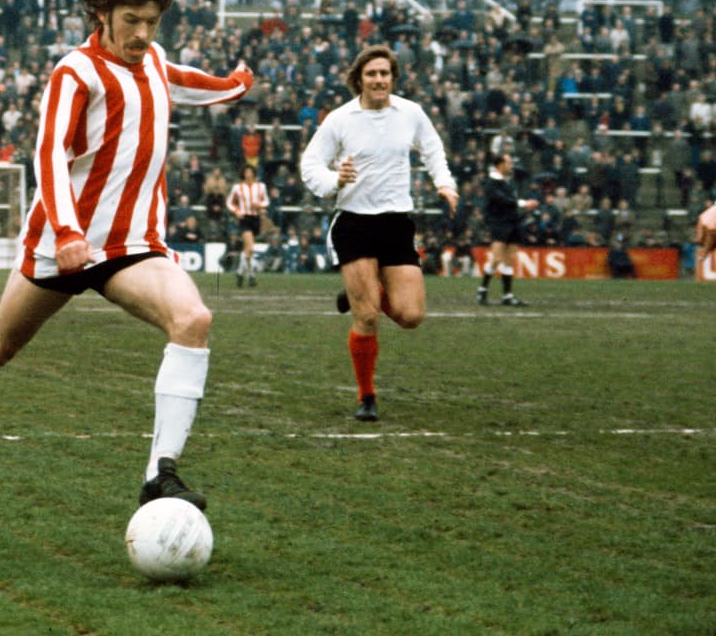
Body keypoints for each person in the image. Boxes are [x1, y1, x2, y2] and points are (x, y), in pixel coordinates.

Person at [0, 0, 253, 511]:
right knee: (1, 347)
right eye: (132, 20)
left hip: (133, 246)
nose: (142, 33)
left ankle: (160, 474)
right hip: (65, 244)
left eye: (153, 22)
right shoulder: (74, 72)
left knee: (194, 319)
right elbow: (49, 154)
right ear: (101, 12)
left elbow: (185, 81)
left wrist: (234, 83)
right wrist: (66, 232)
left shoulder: (153, 60)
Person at [300, 44, 458, 422]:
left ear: (393, 77)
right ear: (360, 79)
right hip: (354, 222)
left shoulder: (411, 113)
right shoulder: (340, 119)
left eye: (385, 74)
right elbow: (310, 165)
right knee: (368, 316)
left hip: (396, 223)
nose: (379, 80)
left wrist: (444, 183)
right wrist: (333, 180)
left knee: (410, 315)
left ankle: (363, 291)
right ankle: (366, 396)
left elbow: (433, 150)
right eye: (371, 74)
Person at [476, 152, 540, 306]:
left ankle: (507, 295)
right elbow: (502, 200)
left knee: (509, 259)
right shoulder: (491, 183)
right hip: (498, 223)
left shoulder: (508, 182)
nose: (511, 166)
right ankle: (483, 289)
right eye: (509, 163)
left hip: (513, 222)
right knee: (497, 259)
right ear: (500, 165)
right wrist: (524, 204)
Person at [226, 164, 269, 287]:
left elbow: (266, 201)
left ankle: (241, 273)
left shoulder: (261, 186)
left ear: (254, 173)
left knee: (247, 250)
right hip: (244, 218)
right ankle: (251, 275)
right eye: (246, 172)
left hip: (256, 219)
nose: (248, 174)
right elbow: (229, 202)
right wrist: (237, 212)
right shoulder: (237, 188)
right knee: (250, 248)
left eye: (250, 171)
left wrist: (259, 205)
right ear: (243, 174)